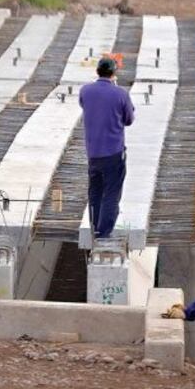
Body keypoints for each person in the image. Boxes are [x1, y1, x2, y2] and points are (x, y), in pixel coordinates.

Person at [78, 57, 135, 248]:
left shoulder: (85, 91)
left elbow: (86, 106)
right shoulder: (120, 94)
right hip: (113, 152)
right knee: (111, 193)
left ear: (97, 72)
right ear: (113, 73)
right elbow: (129, 119)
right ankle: (103, 233)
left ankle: (95, 227)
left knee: (95, 192)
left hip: (93, 152)